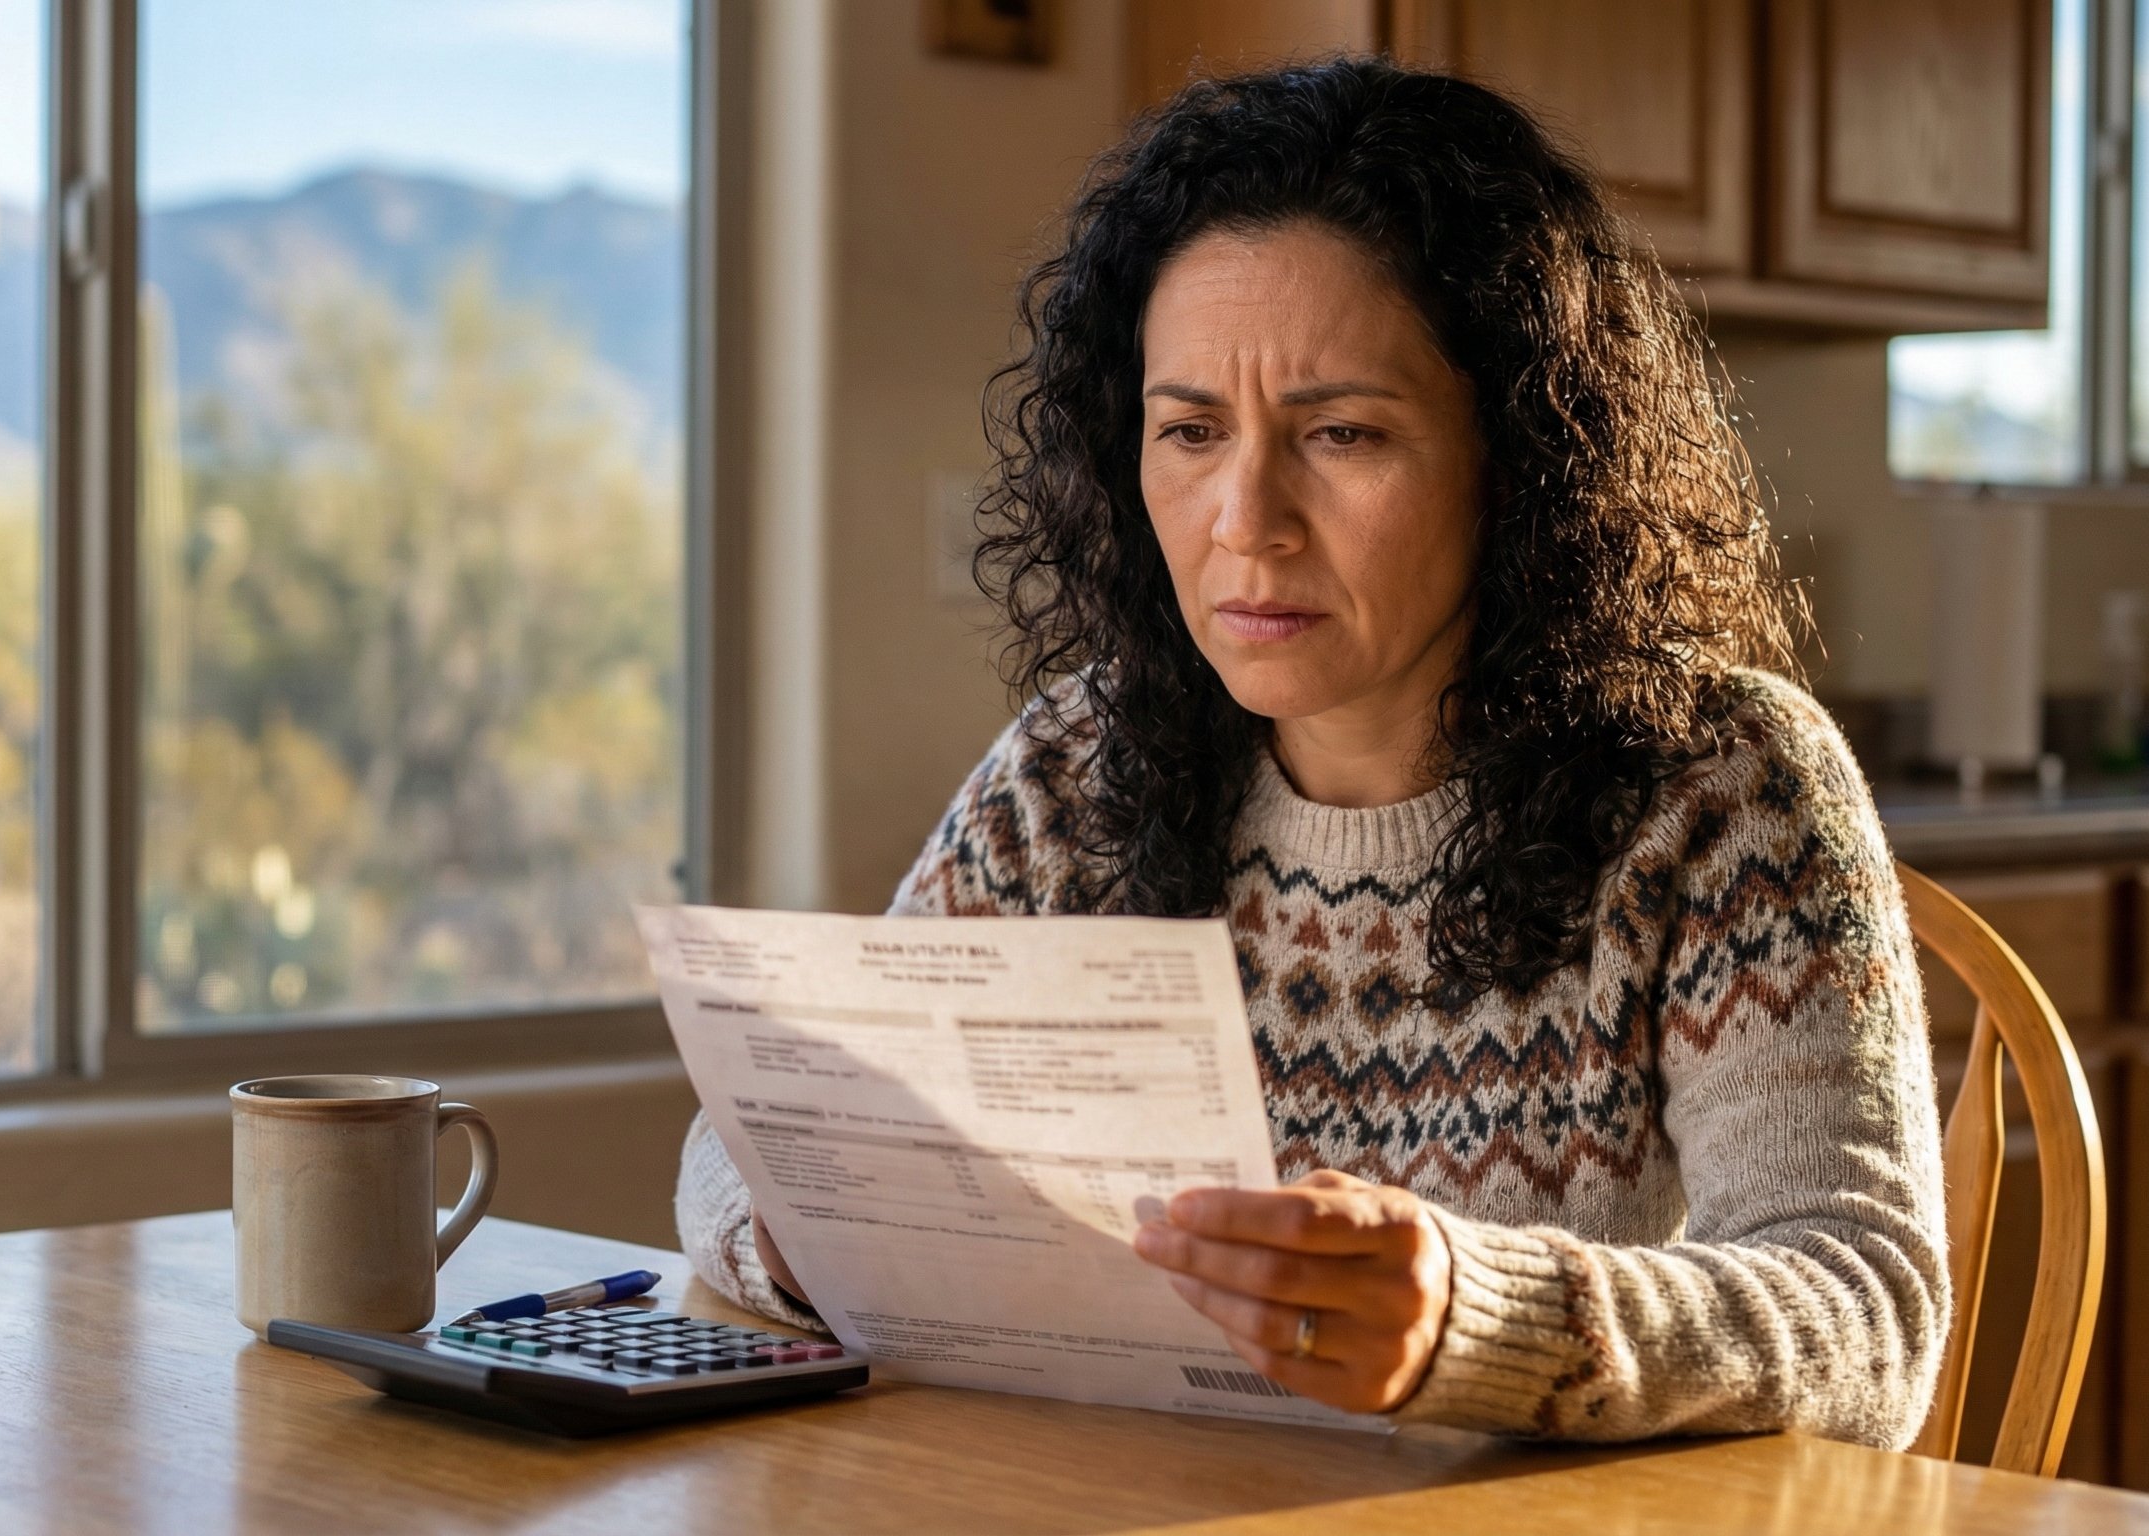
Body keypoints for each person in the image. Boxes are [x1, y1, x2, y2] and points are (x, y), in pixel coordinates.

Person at [675, 56, 1947, 1447]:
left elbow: (1863, 1311)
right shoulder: (1077, 770)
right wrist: (817, 1236)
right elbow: (753, 1139)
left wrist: (1478, 1317)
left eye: (1342, 432)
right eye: (1189, 432)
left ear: (1522, 453)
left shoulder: (1716, 786)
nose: (1247, 519)